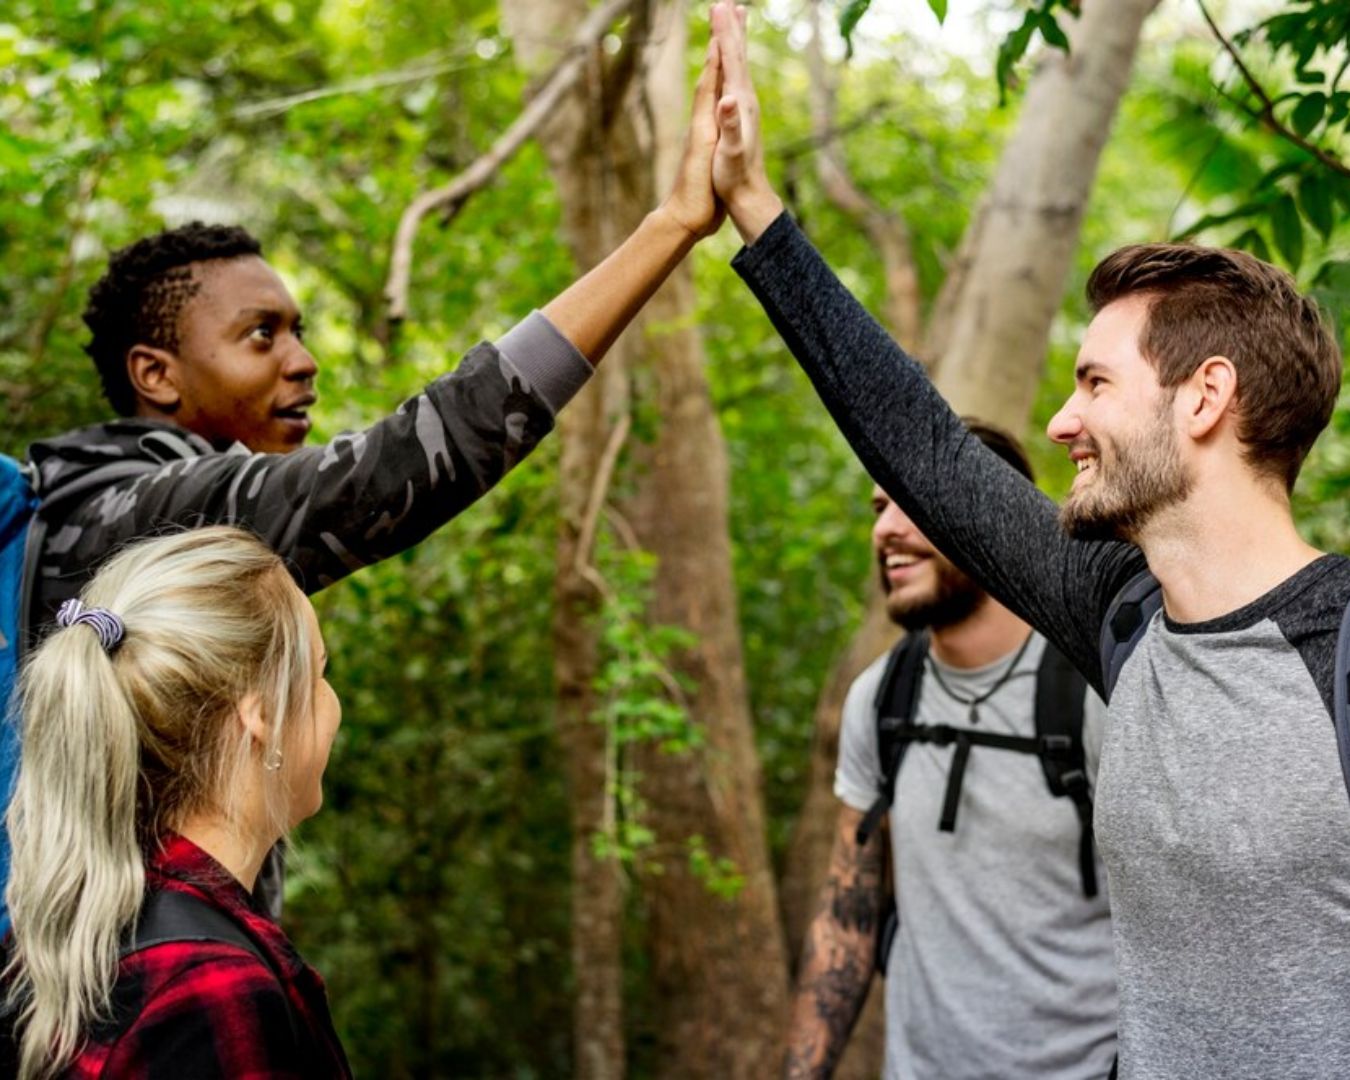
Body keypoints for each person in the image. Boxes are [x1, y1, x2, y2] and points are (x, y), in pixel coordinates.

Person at [707, 5, 1349, 1077]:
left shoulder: (1337, 654)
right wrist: (752, 208)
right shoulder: (1120, 613)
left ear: (1206, 399)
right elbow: (922, 445)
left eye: (1095, 383)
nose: (1060, 423)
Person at [8, 29, 728, 917]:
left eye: (299, 329)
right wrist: (672, 227)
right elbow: (379, 475)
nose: (303, 361)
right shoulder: (128, 518)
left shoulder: (119, 500)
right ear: (155, 374)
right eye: (260, 335)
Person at [785, 422, 1115, 1080]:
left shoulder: (1094, 696)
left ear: (993, 518)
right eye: (880, 509)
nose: (885, 531)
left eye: (911, 502)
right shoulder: (881, 698)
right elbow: (846, 918)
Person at [1, 527, 350, 1078]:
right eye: (319, 673)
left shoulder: (66, 936)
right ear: (261, 716)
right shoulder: (208, 991)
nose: (332, 703)